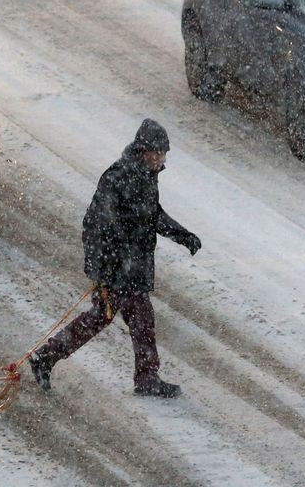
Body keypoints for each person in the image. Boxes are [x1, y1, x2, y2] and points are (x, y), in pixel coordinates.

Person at [29, 118, 201, 398]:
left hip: (130, 269)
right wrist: (103, 271)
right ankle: (144, 377)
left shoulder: (144, 176)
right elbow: (95, 225)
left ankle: (47, 357)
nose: (160, 158)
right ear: (143, 150)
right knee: (130, 318)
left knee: (112, 318)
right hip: (119, 268)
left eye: (163, 153)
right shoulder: (119, 177)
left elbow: (152, 215)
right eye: (156, 152)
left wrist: (183, 235)